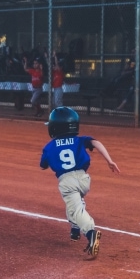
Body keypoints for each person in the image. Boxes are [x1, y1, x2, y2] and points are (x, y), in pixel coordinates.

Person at [39, 106, 120, 258]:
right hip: (84, 179)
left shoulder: (49, 147)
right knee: (75, 204)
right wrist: (109, 160)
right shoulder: (80, 140)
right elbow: (96, 143)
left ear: (54, 128)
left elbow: (43, 165)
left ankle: (91, 233)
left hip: (67, 182)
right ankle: (75, 229)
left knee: (76, 210)